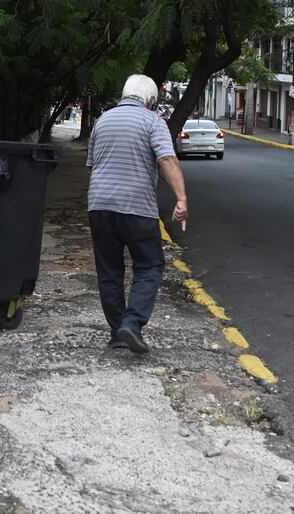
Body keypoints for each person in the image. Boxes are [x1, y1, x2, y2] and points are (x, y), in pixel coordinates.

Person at [86, 74, 188, 354]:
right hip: (137, 208)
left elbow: (93, 168)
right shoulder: (152, 121)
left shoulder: (102, 120)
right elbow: (166, 159)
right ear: (151, 100)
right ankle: (131, 324)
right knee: (150, 265)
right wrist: (181, 198)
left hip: (99, 206)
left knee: (109, 271)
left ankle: (118, 332)